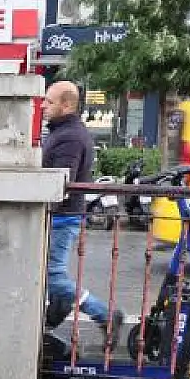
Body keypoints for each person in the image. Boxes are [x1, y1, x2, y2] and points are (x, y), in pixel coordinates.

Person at [41, 80, 122, 340]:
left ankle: (104, 314)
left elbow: (62, 182)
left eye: (49, 101)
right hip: (60, 216)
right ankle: (50, 321)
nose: (43, 105)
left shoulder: (70, 138)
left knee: (52, 277)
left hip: (62, 217)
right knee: (52, 275)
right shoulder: (62, 132)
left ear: (67, 105)